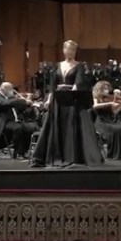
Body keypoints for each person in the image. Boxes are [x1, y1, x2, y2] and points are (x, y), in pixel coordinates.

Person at [31, 40, 102, 168]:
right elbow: (53, 86)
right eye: (68, 49)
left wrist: (72, 94)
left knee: (70, 126)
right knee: (55, 126)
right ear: (64, 50)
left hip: (71, 99)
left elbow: (78, 82)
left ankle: (71, 156)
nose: (70, 52)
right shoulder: (58, 66)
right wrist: (48, 100)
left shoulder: (79, 65)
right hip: (58, 98)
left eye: (73, 50)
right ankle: (54, 156)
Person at [0, 82, 36, 158]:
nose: (12, 91)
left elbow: (19, 108)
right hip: (2, 123)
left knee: (30, 128)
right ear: (3, 89)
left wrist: (28, 104)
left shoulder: (10, 99)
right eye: (10, 89)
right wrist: (23, 101)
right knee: (18, 128)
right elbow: (7, 103)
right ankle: (17, 152)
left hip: (14, 121)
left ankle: (23, 151)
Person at [92, 82, 121, 160]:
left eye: (107, 88)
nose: (106, 90)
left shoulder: (109, 98)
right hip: (101, 121)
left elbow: (115, 112)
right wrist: (110, 103)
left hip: (110, 120)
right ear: (99, 89)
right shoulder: (96, 97)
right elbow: (95, 106)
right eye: (104, 88)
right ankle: (113, 154)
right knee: (116, 129)